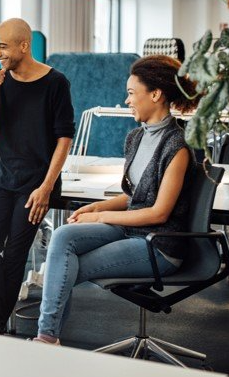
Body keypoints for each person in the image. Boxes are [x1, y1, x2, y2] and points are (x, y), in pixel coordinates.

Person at [34, 55, 198, 345]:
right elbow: (134, 196)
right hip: (131, 229)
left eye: (132, 93)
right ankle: (48, 337)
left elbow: (158, 213)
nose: (126, 101)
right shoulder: (135, 137)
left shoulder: (178, 146)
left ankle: (47, 338)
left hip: (158, 245)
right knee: (63, 236)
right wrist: (98, 206)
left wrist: (99, 217)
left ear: (156, 94)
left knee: (66, 267)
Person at [0, 18, 75, 334]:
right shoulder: (0, 82)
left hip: (36, 185)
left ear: (23, 45)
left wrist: (46, 187)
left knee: (15, 255)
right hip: (4, 178)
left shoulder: (56, 83)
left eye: (1, 46)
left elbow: (64, 138)